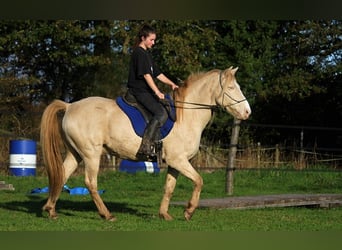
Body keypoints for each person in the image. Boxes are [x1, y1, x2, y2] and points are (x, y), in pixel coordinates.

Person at [127, 24, 179, 161]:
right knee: (161, 113)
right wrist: (157, 92)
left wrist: (171, 83)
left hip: (145, 91)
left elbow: (157, 73)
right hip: (139, 91)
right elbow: (146, 75)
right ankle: (146, 146)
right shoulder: (139, 53)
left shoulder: (147, 54)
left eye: (154, 40)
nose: (153, 43)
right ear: (143, 38)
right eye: (151, 39)